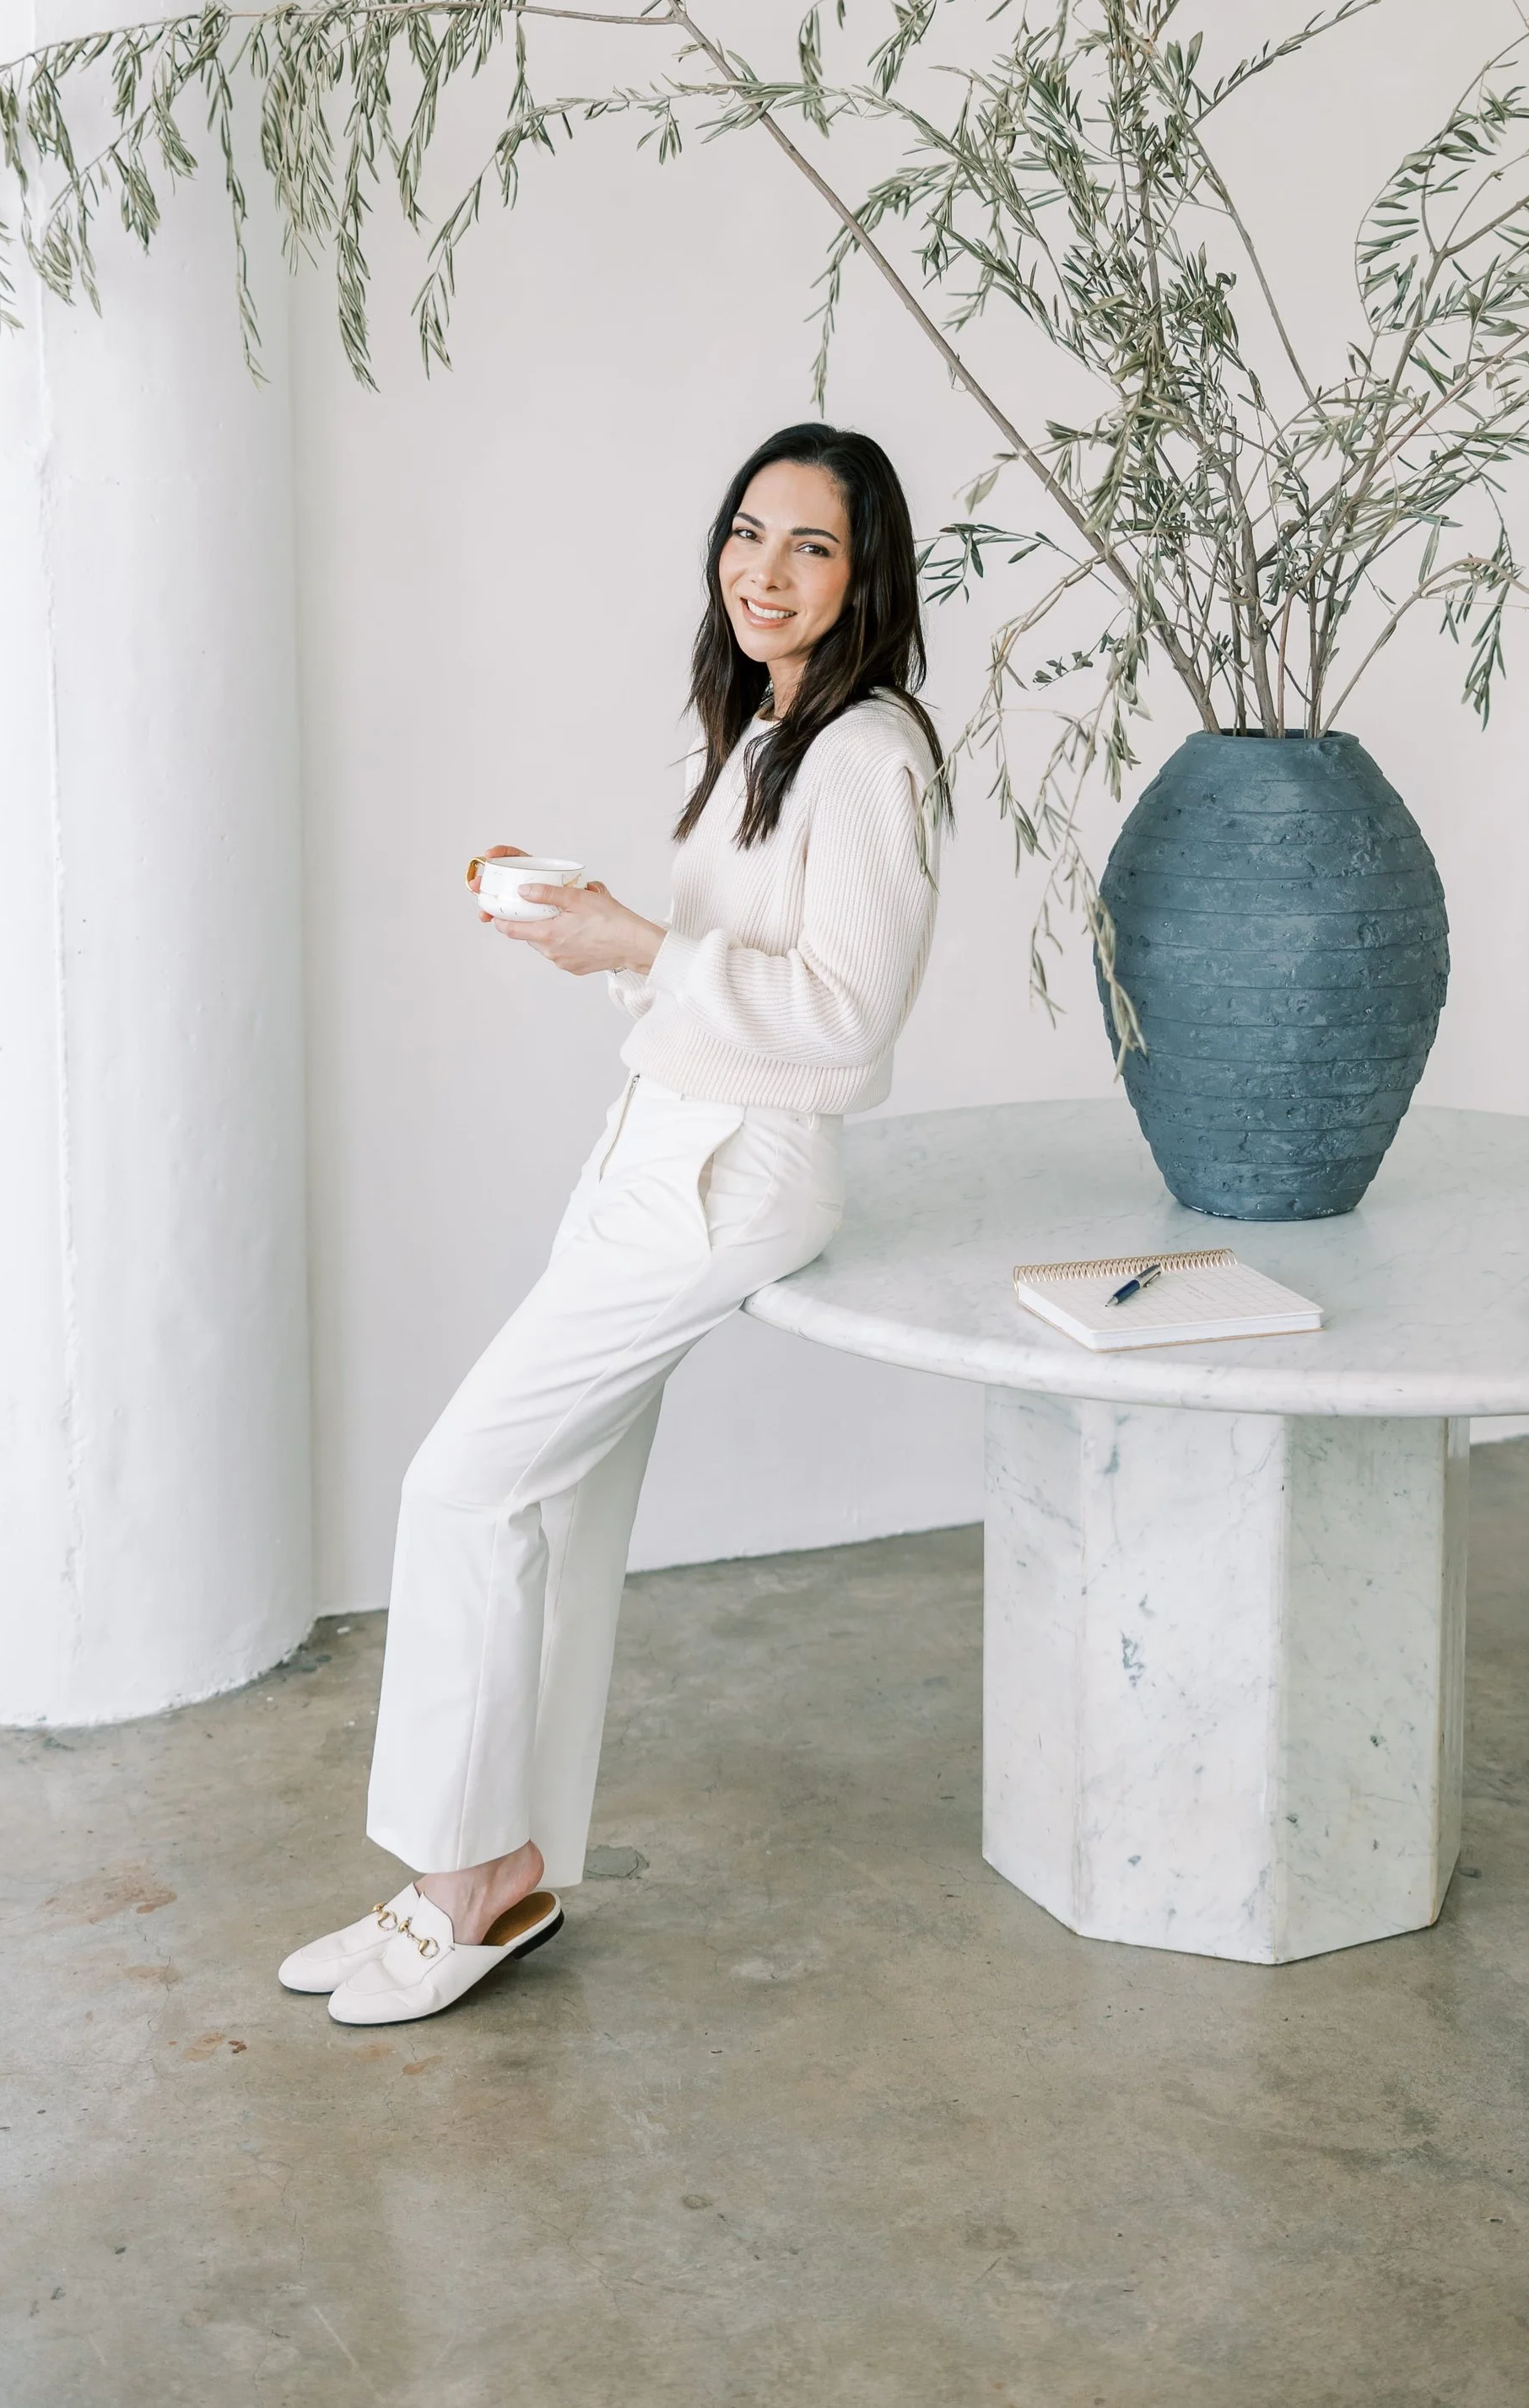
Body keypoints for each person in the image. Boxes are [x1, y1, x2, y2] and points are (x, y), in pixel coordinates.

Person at [278, 423, 944, 2024]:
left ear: (866, 579)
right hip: (657, 1156)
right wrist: (599, 936)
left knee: (464, 1486)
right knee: (550, 1511)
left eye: (811, 547)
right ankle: (494, 1881)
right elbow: (721, 967)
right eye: (749, 532)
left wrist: (635, 939)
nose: (765, 571)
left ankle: (453, 1887)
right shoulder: (770, 729)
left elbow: (849, 1023)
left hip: (728, 1177)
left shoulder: (868, 756)